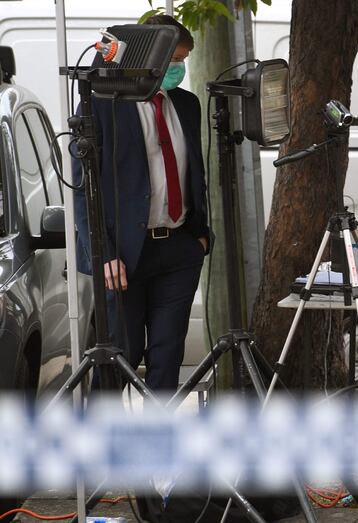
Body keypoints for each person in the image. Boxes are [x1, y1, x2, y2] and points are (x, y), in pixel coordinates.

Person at [73, 14, 209, 392]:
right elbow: (85, 189)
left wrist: (201, 236)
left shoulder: (187, 105)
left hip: (180, 249)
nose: (177, 69)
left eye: (183, 61)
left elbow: (193, 171)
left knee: (168, 356)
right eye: (172, 61)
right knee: (120, 355)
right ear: (147, 57)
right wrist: (103, 252)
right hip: (124, 257)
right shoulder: (102, 105)